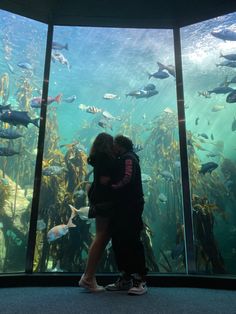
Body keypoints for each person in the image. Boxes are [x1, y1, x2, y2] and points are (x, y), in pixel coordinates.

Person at [106, 135, 148, 295]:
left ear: (121, 145)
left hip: (131, 205)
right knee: (119, 240)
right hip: (122, 206)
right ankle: (126, 277)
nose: (112, 147)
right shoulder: (123, 158)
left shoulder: (129, 158)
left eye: (114, 145)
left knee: (131, 240)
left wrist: (112, 187)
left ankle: (140, 280)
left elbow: (127, 178)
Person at [79, 132, 115, 292]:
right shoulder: (106, 159)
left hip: (97, 198)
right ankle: (87, 278)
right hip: (104, 200)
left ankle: (89, 277)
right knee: (101, 236)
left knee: (101, 235)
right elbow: (105, 181)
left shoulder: (97, 158)